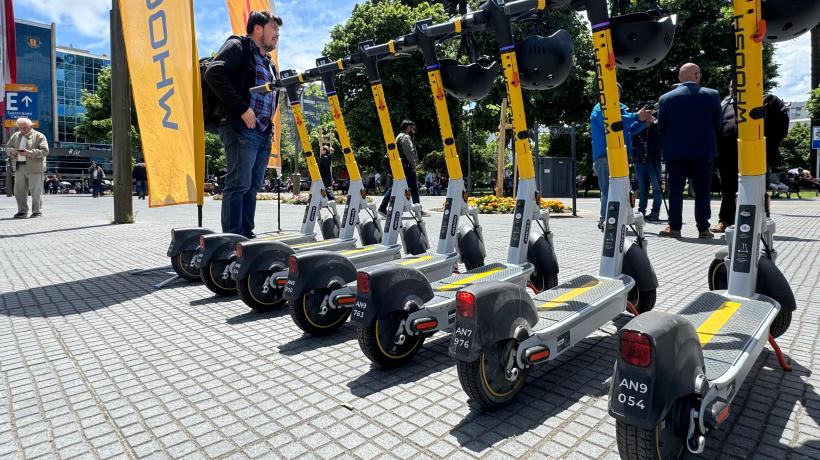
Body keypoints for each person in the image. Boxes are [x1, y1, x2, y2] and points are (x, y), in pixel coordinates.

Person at [204, 11, 282, 238]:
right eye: (273, 28)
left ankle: (246, 236)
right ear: (258, 28)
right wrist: (242, 109)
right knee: (238, 185)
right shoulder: (239, 46)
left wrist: (269, 128)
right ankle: (232, 239)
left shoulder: (269, 63)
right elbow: (214, 72)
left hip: (262, 133)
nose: (277, 34)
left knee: (252, 188)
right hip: (240, 128)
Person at [712, 82, 790, 233]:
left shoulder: (768, 100)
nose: (733, 89)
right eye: (731, 86)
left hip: (755, 153)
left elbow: (781, 123)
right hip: (727, 154)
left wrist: (768, 144)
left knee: (758, 188)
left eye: (738, 86)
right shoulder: (726, 102)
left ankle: (762, 222)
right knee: (728, 189)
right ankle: (725, 221)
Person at [657, 63, 721, 239]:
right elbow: (718, 124)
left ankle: (675, 227)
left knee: (675, 191)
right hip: (704, 151)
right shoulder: (712, 95)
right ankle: (703, 229)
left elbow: (661, 127)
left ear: (679, 78)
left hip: (676, 152)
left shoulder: (666, 98)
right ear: (697, 75)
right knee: (702, 191)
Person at [590, 83, 651, 229]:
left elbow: (630, 129)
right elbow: (612, 121)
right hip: (604, 156)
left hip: (621, 155)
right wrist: (637, 116)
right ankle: (604, 219)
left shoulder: (623, 110)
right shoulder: (600, 108)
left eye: (617, 90)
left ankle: (619, 218)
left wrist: (643, 121)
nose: (613, 92)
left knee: (623, 188)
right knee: (607, 190)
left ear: (620, 94)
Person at [377, 120, 430, 216]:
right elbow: (409, 153)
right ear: (408, 127)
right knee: (413, 188)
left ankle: (382, 207)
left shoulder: (398, 136)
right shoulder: (405, 137)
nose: (414, 130)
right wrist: (413, 165)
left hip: (398, 165)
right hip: (405, 166)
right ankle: (418, 210)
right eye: (413, 127)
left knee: (395, 186)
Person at [5, 118, 49, 218]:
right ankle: (22, 211)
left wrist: (28, 153)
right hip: (19, 166)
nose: (22, 130)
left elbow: (45, 151)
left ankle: (37, 211)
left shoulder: (39, 136)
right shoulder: (15, 136)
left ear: (31, 127)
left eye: (24, 128)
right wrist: (11, 151)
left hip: (35, 168)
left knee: (35, 191)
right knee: (18, 191)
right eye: (20, 128)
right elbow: (7, 148)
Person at [631, 106, 663, 221]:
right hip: (640, 162)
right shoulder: (639, 126)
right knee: (642, 189)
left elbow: (661, 134)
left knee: (657, 189)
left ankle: (655, 212)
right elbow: (633, 135)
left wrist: (653, 122)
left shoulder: (656, 125)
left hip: (654, 161)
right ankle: (641, 211)